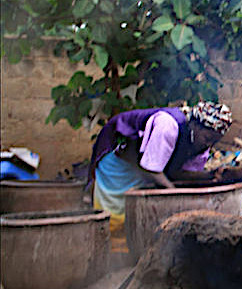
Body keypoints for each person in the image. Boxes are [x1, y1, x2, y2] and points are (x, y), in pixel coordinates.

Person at [88, 101, 232, 237]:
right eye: (207, 138)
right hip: (118, 166)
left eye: (215, 141)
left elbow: (180, 174)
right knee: (115, 217)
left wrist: (210, 176)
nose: (209, 145)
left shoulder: (201, 146)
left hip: (144, 170)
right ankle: (111, 257)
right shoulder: (168, 125)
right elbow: (152, 169)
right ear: (196, 126)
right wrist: (174, 193)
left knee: (136, 220)